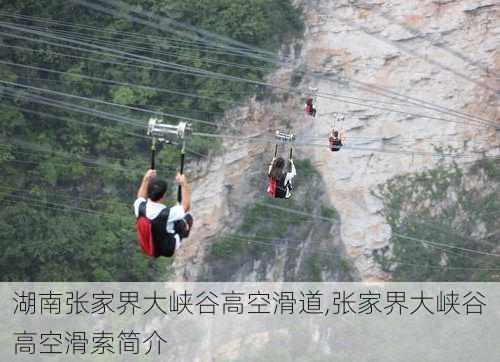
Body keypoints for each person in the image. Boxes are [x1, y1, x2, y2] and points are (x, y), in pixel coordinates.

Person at [134, 169, 192, 257]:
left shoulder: (139, 207)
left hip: (150, 246)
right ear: (163, 196)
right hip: (167, 249)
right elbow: (186, 206)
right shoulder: (167, 214)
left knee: (173, 219)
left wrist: (146, 179)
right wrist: (183, 184)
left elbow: (140, 197)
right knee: (186, 218)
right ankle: (184, 231)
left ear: (148, 192)